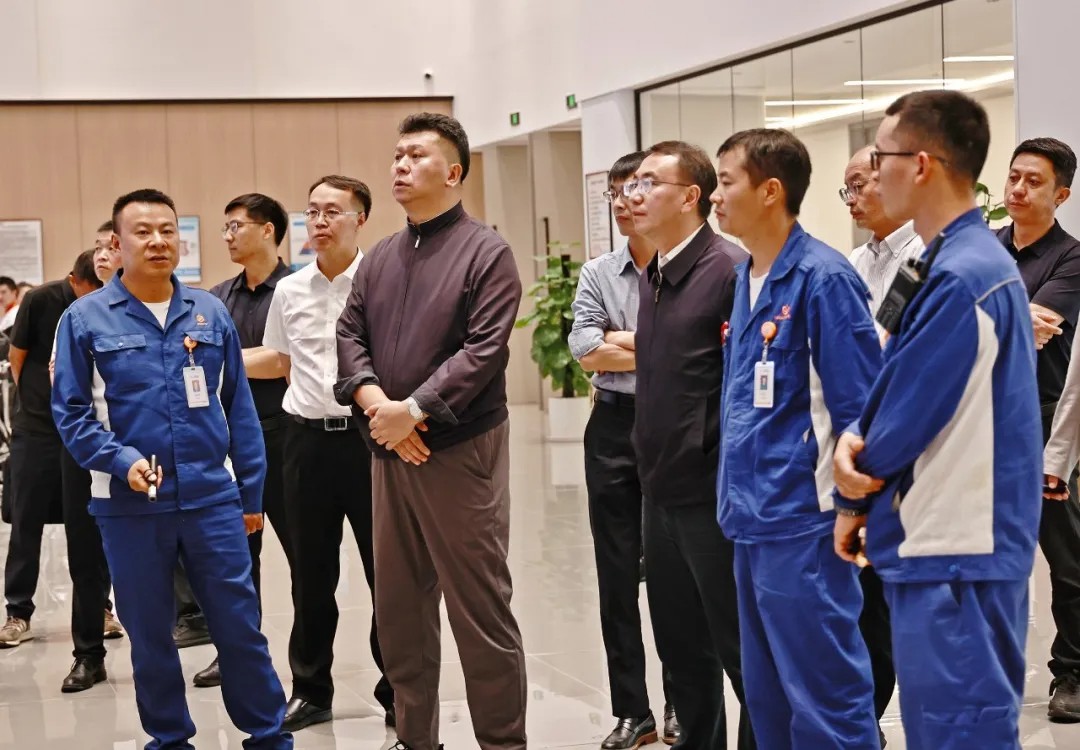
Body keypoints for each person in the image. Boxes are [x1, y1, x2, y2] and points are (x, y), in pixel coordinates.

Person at [833, 90, 1043, 749]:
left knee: (960, 732)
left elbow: (907, 412)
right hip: (938, 543)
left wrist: (853, 479)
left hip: (957, 552)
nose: (871, 177)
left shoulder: (963, 275)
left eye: (880, 160)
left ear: (920, 165)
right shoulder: (940, 261)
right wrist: (855, 438)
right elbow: (891, 375)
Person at [51, 188, 292, 750]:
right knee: (151, 635)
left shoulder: (208, 312)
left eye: (167, 230)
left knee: (240, 628)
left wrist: (250, 494)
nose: (157, 241)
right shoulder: (83, 319)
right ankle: (169, 739)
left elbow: (239, 409)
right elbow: (71, 414)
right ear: (117, 243)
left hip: (212, 500)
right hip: (129, 505)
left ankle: (267, 736)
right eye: (142, 232)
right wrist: (122, 461)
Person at [335, 112, 526, 750]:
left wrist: (411, 410)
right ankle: (416, 739)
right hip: (389, 450)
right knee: (399, 611)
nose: (401, 165)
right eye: (397, 155)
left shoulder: (486, 252)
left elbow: (483, 350)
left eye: (417, 155)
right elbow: (349, 333)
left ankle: (503, 742)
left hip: (458, 449)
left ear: (454, 172)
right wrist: (377, 407)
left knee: (479, 610)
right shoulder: (382, 256)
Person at [713, 129, 881, 749]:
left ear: (770, 191)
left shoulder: (823, 278)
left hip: (806, 522)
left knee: (824, 695)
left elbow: (859, 410)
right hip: (749, 518)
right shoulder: (745, 277)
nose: (715, 196)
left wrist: (854, 510)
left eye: (726, 182)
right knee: (768, 697)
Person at [626, 140, 753, 750]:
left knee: (741, 651)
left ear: (690, 197)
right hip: (659, 492)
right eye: (633, 184)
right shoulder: (656, 271)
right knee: (681, 653)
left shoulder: (729, 270)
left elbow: (745, 388)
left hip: (713, 495)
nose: (634, 194)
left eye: (650, 183)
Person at [263, 174, 393, 732]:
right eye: (312, 211)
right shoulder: (289, 289)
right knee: (310, 575)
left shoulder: (383, 283)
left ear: (360, 219)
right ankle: (311, 689)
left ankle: (397, 688)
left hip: (370, 441)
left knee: (386, 572)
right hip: (306, 442)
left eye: (332, 211)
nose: (319, 221)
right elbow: (280, 361)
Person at [569, 151, 678, 749]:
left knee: (674, 571)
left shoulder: (690, 267)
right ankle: (633, 710)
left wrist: (627, 340)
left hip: (676, 424)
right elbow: (587, 350)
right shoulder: (598, 273)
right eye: (614, 192)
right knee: (616, 574)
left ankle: (683, 702)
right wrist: (657, 344)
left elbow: (697, 349)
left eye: (635, 189)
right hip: (612, 425)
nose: (622, 202)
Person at [174, 193, 295, 689]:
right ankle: (237, 655)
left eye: (236, 226)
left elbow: (286, 362)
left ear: (267, 230)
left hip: (287, 438)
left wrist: (223, 359)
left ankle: (310, 671)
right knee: (236, 560)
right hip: (232, 444)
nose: (227, 235)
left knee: (306, 561)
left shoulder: (296, 289)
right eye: (224, 227)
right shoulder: (217, 297)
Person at [993, 136, 1080, 721]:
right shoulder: (983, 245)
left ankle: (1071, 673)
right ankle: (991, 672)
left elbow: (1038, 331)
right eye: (1014, 177)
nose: (1018, 189)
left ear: (1061, 194)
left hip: (1046, 424)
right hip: (983, 421)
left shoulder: (1071, 258)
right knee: (989, 556)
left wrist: (972, 315)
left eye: (1034, 181)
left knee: (1068, 562)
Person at [841, 146, 917, 723]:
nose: (852, 199)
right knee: (865, 597)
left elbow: (889, 348)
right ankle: (866, 719)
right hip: (862, 439)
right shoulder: (852, 262)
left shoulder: (925, 258)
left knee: (897, 598)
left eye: (860, 184)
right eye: (846, 189)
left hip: (907, 442)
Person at [0, 251, 103, 655]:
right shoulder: (39, 300)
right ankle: (18, 612)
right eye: (87, 290)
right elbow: (18, 358)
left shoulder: (104, 306)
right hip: (37, 429)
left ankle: (101, 609)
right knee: (26, 521)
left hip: (83, 430)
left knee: (89, 525)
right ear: (74, 280)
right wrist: (37, 405)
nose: (90, 299)